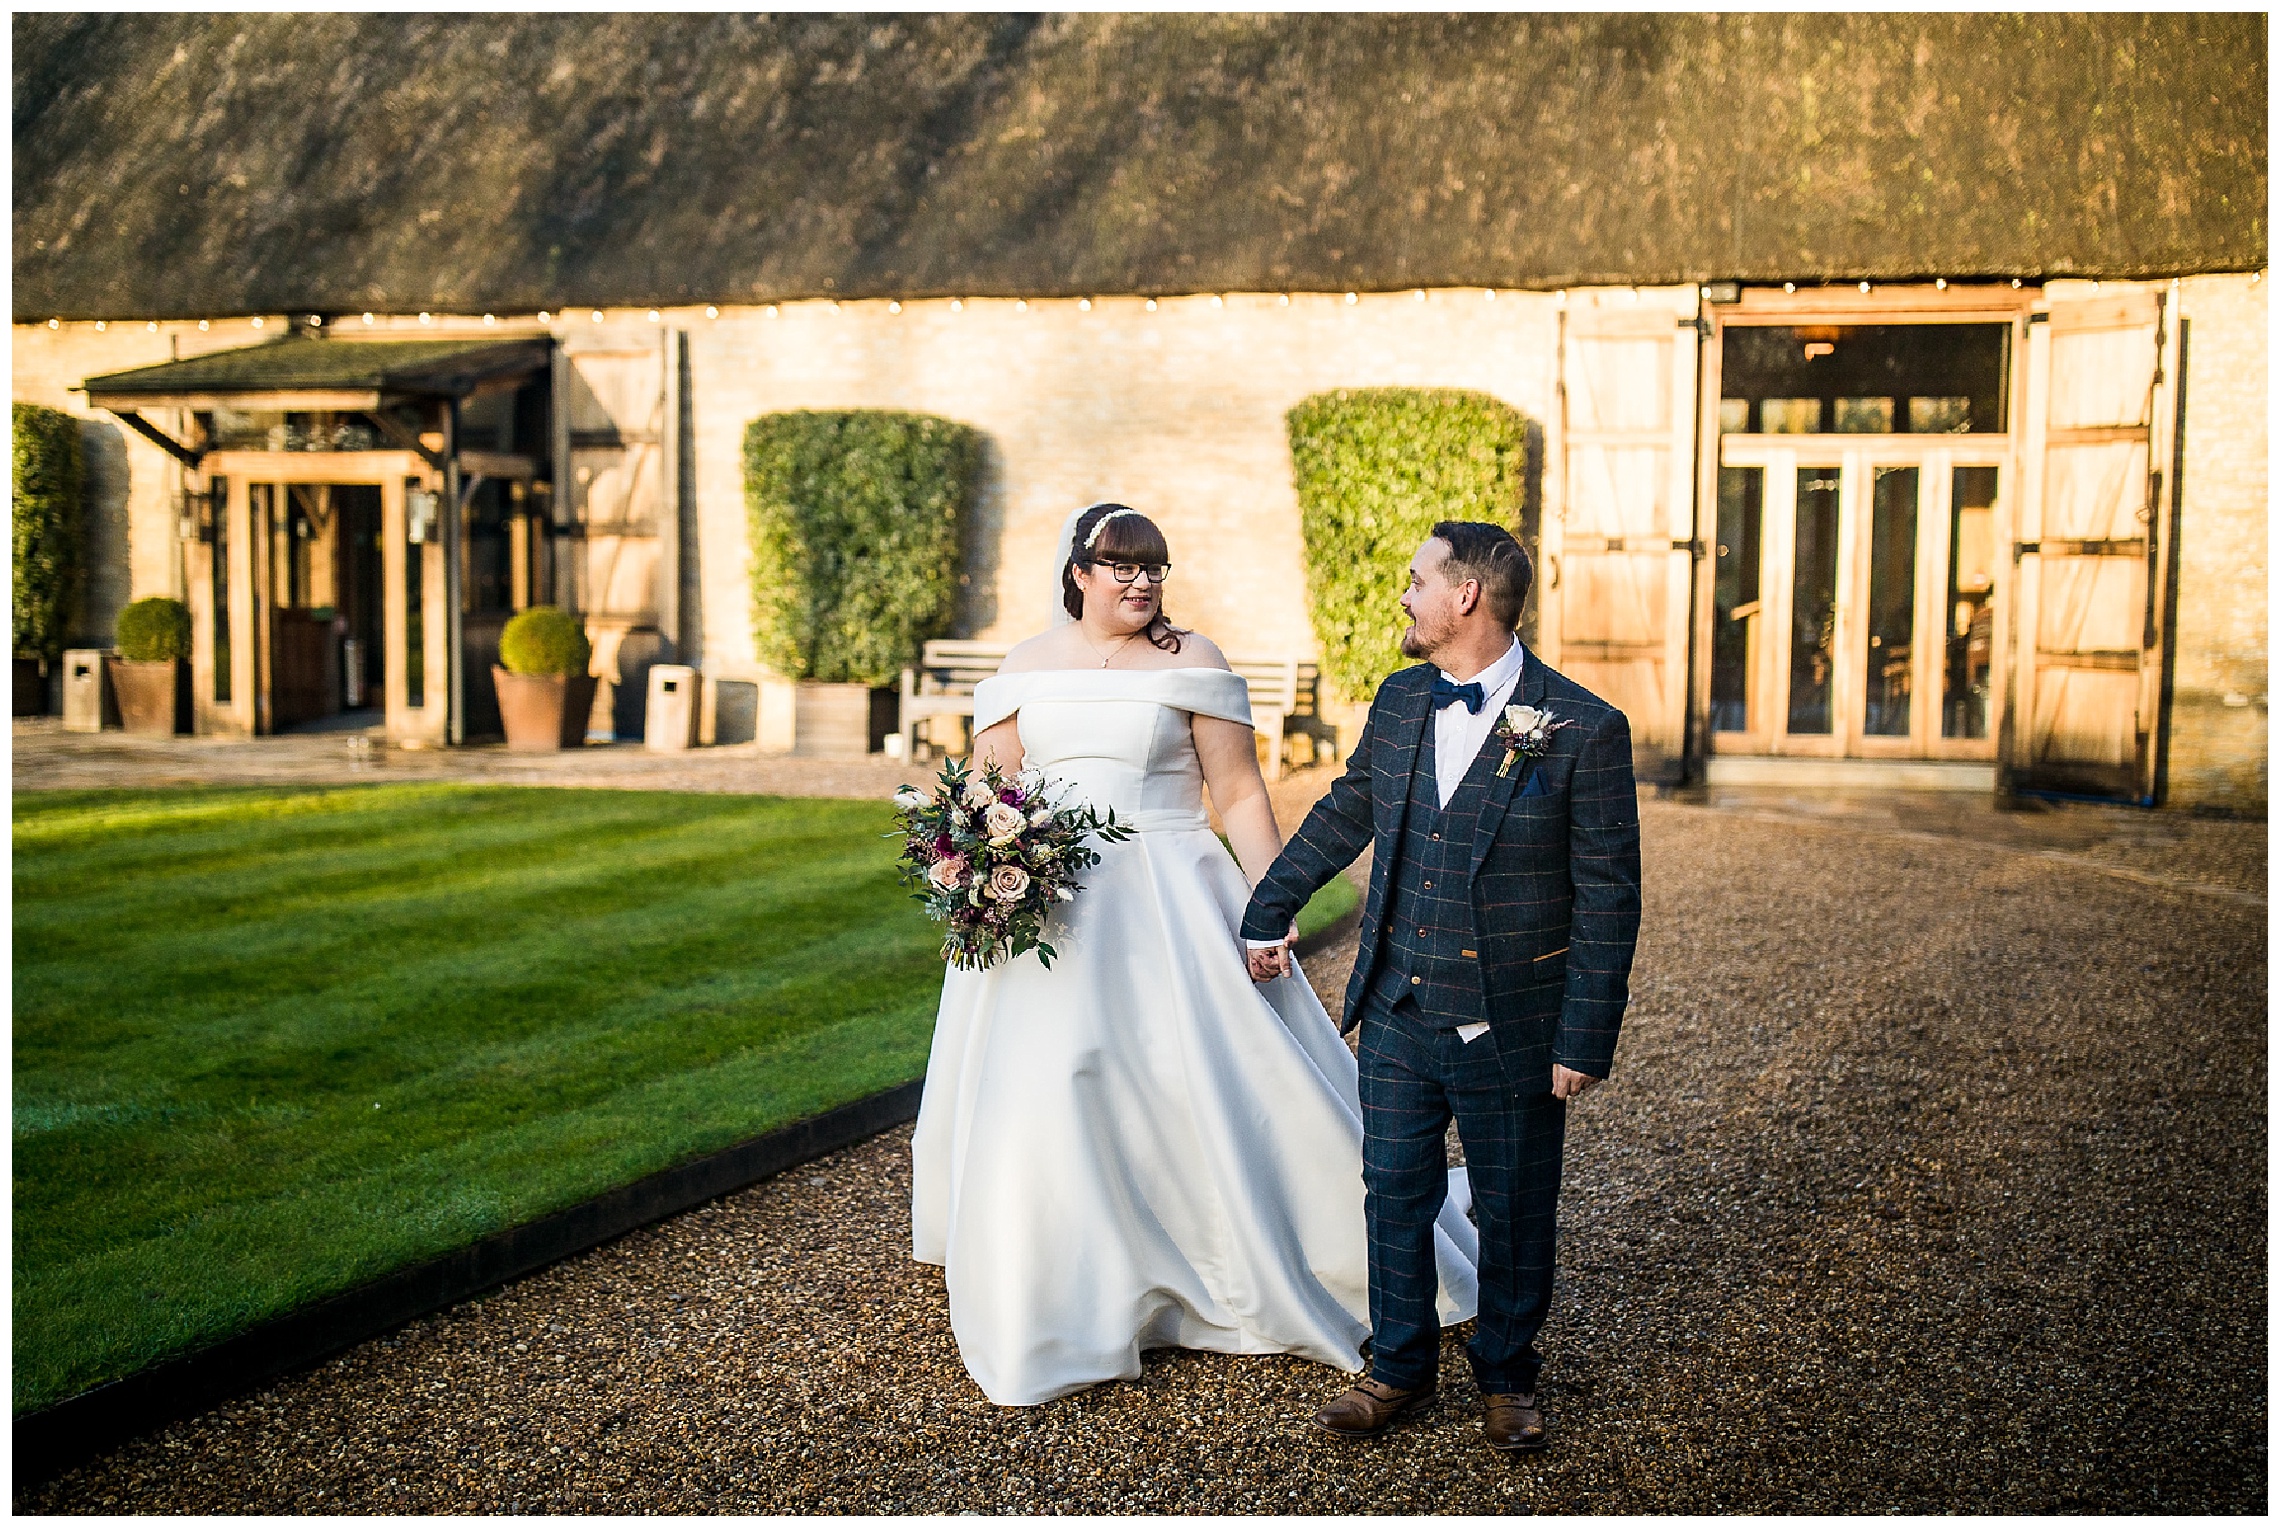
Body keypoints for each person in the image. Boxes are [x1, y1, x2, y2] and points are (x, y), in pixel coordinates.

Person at [909, 502, 1479, 1407]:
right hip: (1046, 915)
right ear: (1078, 574)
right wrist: (974, 864)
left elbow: (1240, 791)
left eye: (1155, 568)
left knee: (1194, 1081)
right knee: (1054, 1085)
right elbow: (990, 789)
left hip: (1169, 897)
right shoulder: (1023, 665)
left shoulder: (1195, 662)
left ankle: (1218, 1264)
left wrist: (1271, 899)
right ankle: (1072, 1285)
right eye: (1122, 566)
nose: (1141, 582)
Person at [1240, 521, 1641, 1451]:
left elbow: (1608, 901)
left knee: (1512, 1202)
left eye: (1418, 581)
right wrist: (1269, 907)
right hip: (1396, 1010)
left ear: (1466, 597)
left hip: (1515, 1022)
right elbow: (1348, 809)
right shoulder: (1400, 699)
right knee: (1392, 1190)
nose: (1405, 596)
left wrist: (1583, 1040)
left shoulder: (1583, 728)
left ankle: (1507, 1374)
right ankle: (1398, 1370)